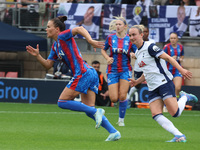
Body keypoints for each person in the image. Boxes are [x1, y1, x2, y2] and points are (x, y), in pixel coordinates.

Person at [26, 16, 121, 141]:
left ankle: (97, 112)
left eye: (48, 27)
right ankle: (114, 132)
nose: (46, 29)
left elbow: (79, 29)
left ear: (57, 29)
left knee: (62, 102)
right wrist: (38, 56)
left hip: (83, 73)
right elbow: (48, 65)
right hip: (89, 73)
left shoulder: (62, 36)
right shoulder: (55, 46)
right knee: (89, 110)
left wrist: (90, 40)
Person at [128, 24, 198, 142]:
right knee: (156, 114)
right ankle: (179, 135)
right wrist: (137, 81)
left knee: (175, 113)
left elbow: (169, 58)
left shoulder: (150, 47)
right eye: (129, 35)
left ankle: (185, 97)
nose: (131, 37)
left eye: (134, 34)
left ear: (141, 35)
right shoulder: (138, 53)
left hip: (163, 82)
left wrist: (181, 70)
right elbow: (147, 71)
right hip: (152, 87)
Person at [101, 16, 136, 126]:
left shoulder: (129, 39)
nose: (117, 26)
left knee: (122, 96)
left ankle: (121, 120)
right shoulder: (111, 38)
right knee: (113, 98)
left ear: (125, 26)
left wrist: (133, 54)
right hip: (112, 70)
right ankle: (122, 104)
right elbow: (103, 49)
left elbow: (137, 52)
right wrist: (107, 58)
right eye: (116, 24)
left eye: (120, 24)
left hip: (126, 70)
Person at [127, 26, 155, 108]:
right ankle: (128, 99)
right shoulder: (135, 41)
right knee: (137, 85)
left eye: (146, 31)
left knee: (152, 83)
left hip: (149, 67)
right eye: (144, 31)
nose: (145, 33)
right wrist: (132, 54)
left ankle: (154, 102)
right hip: (139, 67)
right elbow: (131, 51)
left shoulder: (151, 42)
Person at [163, 32, 184, 98]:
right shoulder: (166, 47)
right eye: (171, 38)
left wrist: (181, 59)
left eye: (174, 38)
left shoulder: (180, 47)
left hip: (177, 70)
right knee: (167, 89)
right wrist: (170, 58)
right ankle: (166, 104)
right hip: (168, 70)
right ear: (169, 39)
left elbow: (182, 55)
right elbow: (162, 57)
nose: (173, 40)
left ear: (177, 39)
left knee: (178, 88)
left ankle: (175, 101)